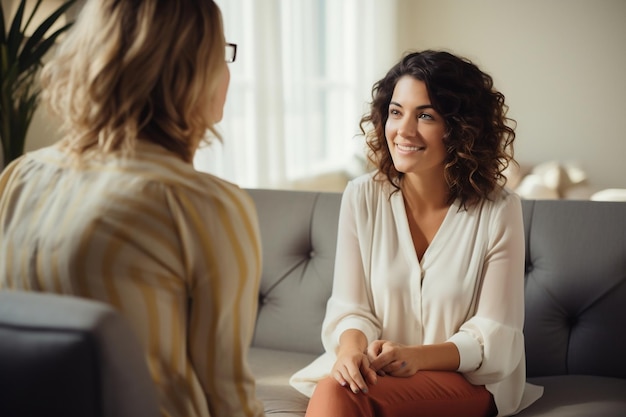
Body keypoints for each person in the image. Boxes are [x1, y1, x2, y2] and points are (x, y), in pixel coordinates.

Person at [0, 1, 265, 417]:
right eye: (221, 52)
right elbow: (227, 397)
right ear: (192, 71)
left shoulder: (18, 177)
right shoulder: (203, 206)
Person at [290, 50, 543, 417]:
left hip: (469, 381)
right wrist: (350, 351)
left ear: (460, 128)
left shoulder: (499, 210)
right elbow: (351, 308)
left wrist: (415, 357)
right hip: (380, 376)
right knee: (339, 386)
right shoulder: (362, 196)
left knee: (337, 396)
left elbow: (495, 337)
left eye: (425, 115)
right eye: (396, 112)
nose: (403, 131)